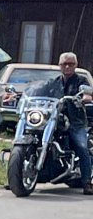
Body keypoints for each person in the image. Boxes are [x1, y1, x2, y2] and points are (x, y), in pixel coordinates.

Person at [34, 51, 93, 194]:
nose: (67, 67)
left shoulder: (81, 81)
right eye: (64, 64)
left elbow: (87, 93)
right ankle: (19, 177)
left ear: (75, 65)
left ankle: (87, 182)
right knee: (33, 136)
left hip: (74, 121)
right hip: (53, 120)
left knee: (81, 147)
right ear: (59, 65)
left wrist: (86, 97)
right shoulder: (53, 83)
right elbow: (38, 92)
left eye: (71, 64)